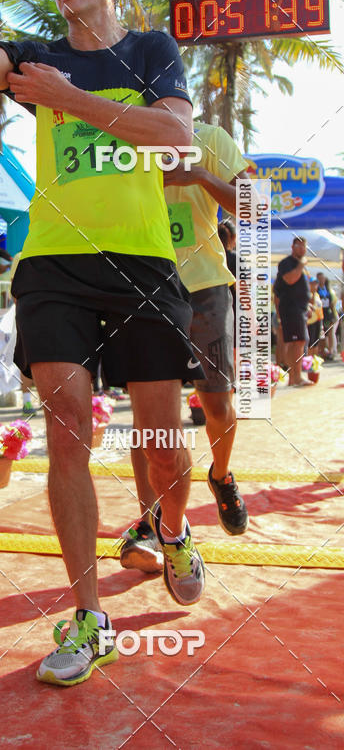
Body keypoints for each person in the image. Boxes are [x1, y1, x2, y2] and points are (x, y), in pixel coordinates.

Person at [0, 0, 206, 686]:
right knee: (67, 430)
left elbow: (176, 141)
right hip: (54, 265)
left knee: (159, 446)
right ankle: (90, 616)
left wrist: (74, 99)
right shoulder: (38, 57)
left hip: (142, 264)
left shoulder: (149, 49)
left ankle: (172, 527)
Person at [120, 123, 250, 573]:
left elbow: (254, 206)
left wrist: (200, 177)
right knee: (149, 415)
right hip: (147, 290)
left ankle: (221, 476)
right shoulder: (122, 137)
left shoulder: (211, 140)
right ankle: (150, 522)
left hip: (205, 290)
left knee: (217, 407)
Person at [273, 237, 312, 386]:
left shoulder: (298, 265)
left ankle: (293, 378)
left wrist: (307, 305)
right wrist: (301, 265)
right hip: (290, 309)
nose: (302, 249)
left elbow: (297, 289)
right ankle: (296, 377)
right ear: (292, 247)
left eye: (304, 246)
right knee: (297, 341)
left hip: (299, 309)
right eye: (298, 246)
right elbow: (290, 279)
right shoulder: (287, 263)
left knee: (297, 342)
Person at [316, 272, 337, 359]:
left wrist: (334, 315)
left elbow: (332, 303)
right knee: (321, 334)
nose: (321, 280)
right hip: (320, 314)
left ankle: (331, 351)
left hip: (328, 314)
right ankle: (322, 351)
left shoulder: (328, 289)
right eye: (319, 278)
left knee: (330, 332)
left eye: (323, 278)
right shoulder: (316, 289)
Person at [306, 278, 323, 352]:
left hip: (318, 320)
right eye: (312, 284)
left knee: (316, 341)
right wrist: (312, 293)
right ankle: (309, 360)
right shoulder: (308, 293)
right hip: (311, 321)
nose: (315, 286)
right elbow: (311, 303)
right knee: (311, 342)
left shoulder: (317, 294)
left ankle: (314, 360)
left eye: (316, 284)